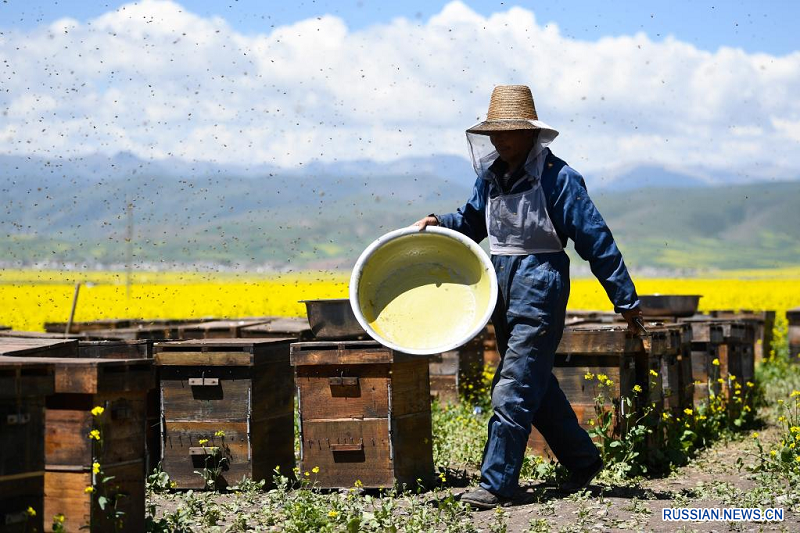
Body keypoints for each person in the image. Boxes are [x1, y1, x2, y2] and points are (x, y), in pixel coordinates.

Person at [413, 85, 642, 509]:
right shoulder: (490, 177)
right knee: (535, 381)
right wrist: (439, 221)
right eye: (496, 133)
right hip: (499, 287)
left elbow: (596, 240)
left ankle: (497, 483)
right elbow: (471, 221)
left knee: (514, 383)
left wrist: (624, 298)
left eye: (511, 132)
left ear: (531, 133)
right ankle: (583, 460)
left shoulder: (560, 179)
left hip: (541, 286)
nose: (502, 140)